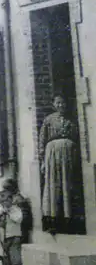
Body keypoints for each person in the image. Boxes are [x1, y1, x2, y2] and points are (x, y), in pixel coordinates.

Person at [39, 95, 79, 235]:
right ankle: (53, 219)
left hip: (68, 155)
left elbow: (76, 136)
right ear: (53, 105)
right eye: (58, 103)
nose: (61, 105)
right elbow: (42, 141)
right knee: (53, 185)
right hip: (52, 155)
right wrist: (43, 160)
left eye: (63, 103)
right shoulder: (48, 120)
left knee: (67, 185)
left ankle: (68, 219)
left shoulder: (72, 119)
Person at [0, 190, 24, 265]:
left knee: (14, 254)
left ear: (11, 200)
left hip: (14, 235)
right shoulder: (1, 211)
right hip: (4, 236)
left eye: (6, 201)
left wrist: (9, 213)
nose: (4, 203)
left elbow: (18, 219)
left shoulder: (16, 209)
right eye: (2, 202)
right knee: (5, 255)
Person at [2, 178, 33, 245]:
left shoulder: (19, 200)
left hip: (19, 232)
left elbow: (24, 218)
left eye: (7, 188)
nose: (5, 190)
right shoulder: (11, 198)